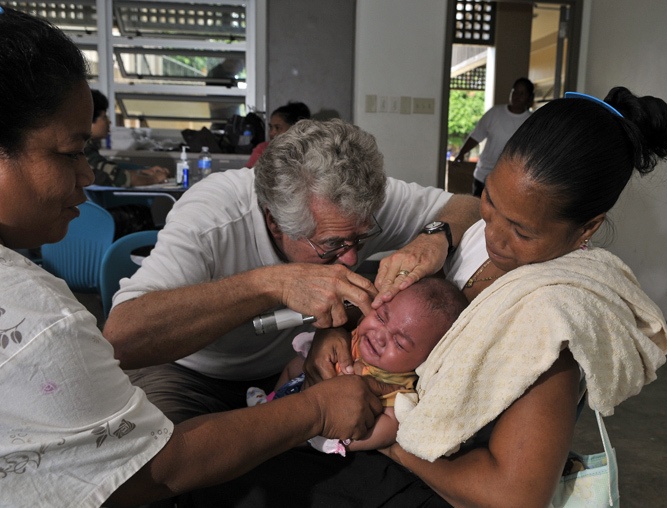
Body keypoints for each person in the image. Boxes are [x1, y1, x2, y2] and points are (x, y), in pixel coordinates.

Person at [213, 87, 667, 507]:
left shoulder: (551, 312)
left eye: (520, 230)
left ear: (587, 227)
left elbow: (515, 495)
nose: (495, 238)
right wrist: (335, 333)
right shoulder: (466, 240)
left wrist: (387, 436)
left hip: (426, 479)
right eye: (492, 203)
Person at [0, 8, 390, 507]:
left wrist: (429, 241)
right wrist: (316, 409)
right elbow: (158, 468)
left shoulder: (359, 196)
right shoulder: (41, 324)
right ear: (274, 216)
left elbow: (459, 213)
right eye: (70, 153)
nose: (84, 176)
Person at [103, 116, 479, 423]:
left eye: (361, 240)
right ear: (274, 222)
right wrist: (271, 284)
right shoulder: (212, 216)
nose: (350, 260)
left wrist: (432, 238)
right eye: (331, 245)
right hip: (190, 374)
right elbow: (123, 338)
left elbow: (470, 207)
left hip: (287, 369)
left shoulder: (354, 202)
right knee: (165, 468)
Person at [248, 277, 468, 456]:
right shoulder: (355, 338)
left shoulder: (395, 385)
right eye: (381, 318)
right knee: (295, 366)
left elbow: (391, 427)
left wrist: (346, 444)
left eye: (399, 343)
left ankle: (300, 440)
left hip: (325, 429)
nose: (380, 336)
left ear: (426, 360)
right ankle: (270, 400)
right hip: (304, 385)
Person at [453, 77, 535, 197]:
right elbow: (476, 136)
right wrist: (461, 153)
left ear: (529, 97)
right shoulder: (495, 113)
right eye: (515, 91)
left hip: (511, 180)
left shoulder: (532, 121)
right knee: (478, 212)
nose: (517, 96)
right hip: (483, 176)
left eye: (522, 93)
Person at [86, 89, 170, 188]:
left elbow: (110, 171)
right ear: (88, 120)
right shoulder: (83, 151)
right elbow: (123, 179)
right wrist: (155, 179)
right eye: (104, 117)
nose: (109, 122)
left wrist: (143, 172)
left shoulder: (89, 146)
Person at [244, 101, 311, 168]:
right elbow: (248, 175)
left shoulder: (309, 153)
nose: (272, 133)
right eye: (270, 127)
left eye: (278, 128)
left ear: (295, 129)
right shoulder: (263, 149)